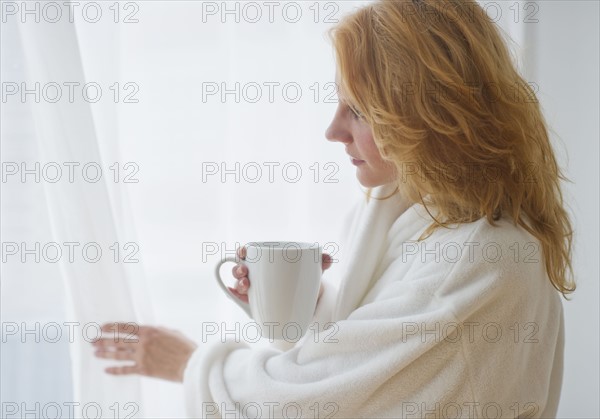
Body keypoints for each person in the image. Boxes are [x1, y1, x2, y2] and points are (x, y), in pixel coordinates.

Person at [92, 0, 575, 417]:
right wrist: (305, 307)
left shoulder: (482, 259)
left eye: (359, 111)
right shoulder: (412, 225)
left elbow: (322, 400)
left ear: (430, 115)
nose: (333, 131)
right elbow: (384, 373)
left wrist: (189, 364)